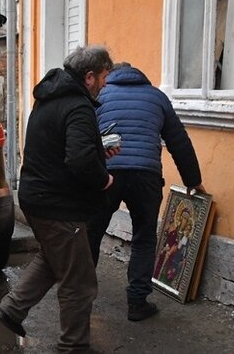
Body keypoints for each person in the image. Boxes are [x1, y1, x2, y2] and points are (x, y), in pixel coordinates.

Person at [0, 45, 116, 352]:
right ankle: (73, 345)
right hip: (59, 205)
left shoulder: (48, 101)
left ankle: (12, 309)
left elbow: (58, 149)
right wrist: (104, 178)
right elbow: (78, 159)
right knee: (79, 282)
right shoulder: (78, 106)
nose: (105, 84)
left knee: (52, 257)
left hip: (37, 198)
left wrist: (97, 150)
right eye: (104, 77)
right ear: (89, 76)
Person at [87, 62, 205, 322]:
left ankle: (81, 298)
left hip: (107, 174)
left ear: (111, 75)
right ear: (141, 77)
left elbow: (85, 136)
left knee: (91, 233)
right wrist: (193, 180)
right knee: (144, 237)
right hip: (146, 175)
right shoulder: (156, 97)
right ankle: (137, 303)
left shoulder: (100, 95)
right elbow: (178, 140)